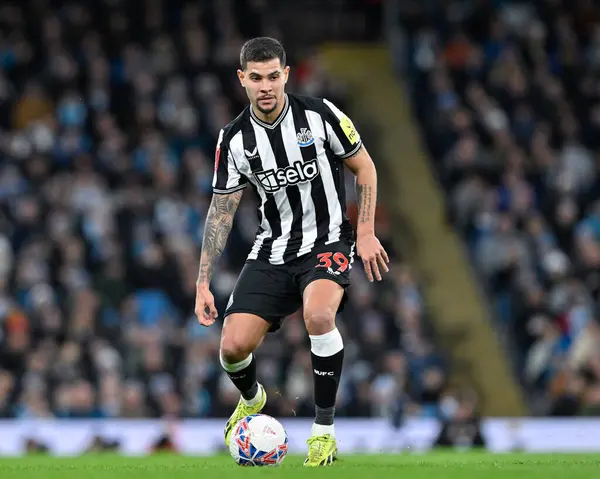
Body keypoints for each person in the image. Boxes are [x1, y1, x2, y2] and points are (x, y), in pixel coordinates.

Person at [194, 37, 389, 466]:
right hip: (274, 249)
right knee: (231, 347)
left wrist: (367, 232)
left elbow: (365, 167)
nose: (266, 86)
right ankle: (253, 398)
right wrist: (203, 280)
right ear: (243, 80)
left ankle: (323, 432)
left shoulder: (320, 115)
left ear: (286, 74)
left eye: (273, 76)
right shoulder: (234, 139)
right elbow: (221, 212)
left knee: (319, 316)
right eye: (256, 78)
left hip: (329, 240)